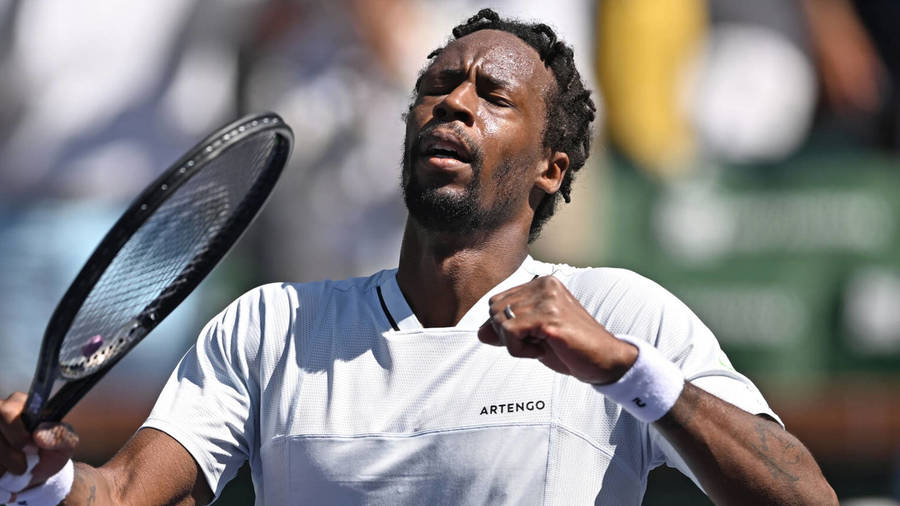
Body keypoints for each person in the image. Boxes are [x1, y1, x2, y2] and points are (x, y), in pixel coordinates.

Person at [0, 9, 837, 505]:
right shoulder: (268, 327)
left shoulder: (621, 316)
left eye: (493, 95)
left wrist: (626, 372)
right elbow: (124, 496)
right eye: (437, 87)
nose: (454, 105)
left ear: (554, 167)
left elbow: (803, 496)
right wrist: (45, 477)